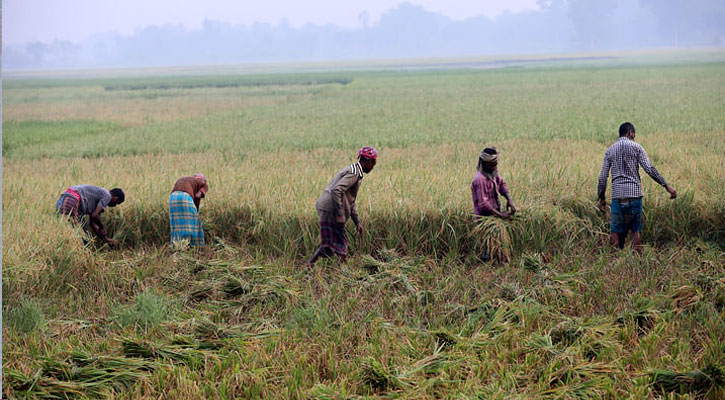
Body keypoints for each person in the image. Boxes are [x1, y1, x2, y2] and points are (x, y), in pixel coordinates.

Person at [597, 122, 677, 252]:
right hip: (635, 196)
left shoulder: (610, 150)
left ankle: (612, 261)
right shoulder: (637, 147)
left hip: (618, 196)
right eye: (634, 134)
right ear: (630, 133)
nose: (634, 136)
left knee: (615, 230)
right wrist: (667, 186)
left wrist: (602, 197)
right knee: (636, 229)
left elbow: (602, 177)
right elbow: (650, 169)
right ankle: (635, 262)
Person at [308, 146, 377, 265]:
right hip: (330, 208)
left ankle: (310, 265)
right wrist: (339, 214)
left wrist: (357, 222)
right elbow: (336, 190)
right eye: (373, 164)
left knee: (328, 244)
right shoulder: (354, 173)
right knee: (341, 243)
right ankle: (343, 274)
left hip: (325, 206)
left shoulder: (355, 170)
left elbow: (351, 200)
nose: (373, 167)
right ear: (368, 162)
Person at [55, 185, 125, 247]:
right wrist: (102, 226)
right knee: (83, 237)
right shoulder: (107, 196)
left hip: (63, 199)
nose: (115, 206)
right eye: (117, 203)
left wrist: (106, 239)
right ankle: (81, 257)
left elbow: (92, 222)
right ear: (116, 198)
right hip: (72, 201)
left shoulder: (100, 195)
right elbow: (95, 215)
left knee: (66, 231)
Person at [471, 147, 516, 219]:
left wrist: (509, 199)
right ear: (485, 164)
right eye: (492, 165)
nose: (495, 167)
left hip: (495, 214)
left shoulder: (492, 172)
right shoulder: (480, 179)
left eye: (496, 164)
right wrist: (501, 215)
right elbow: (483, 204)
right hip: (483, 218)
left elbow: (501, 184)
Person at [169, 173, 209, 247]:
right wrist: (196, 211)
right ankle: (194, 244)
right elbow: (198, 195)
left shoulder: (184, 179)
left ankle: (176, 244)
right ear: (203, 180)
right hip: (185, 197)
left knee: (176, 222)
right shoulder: (202, 184)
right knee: (193, 221)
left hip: (173, 198)